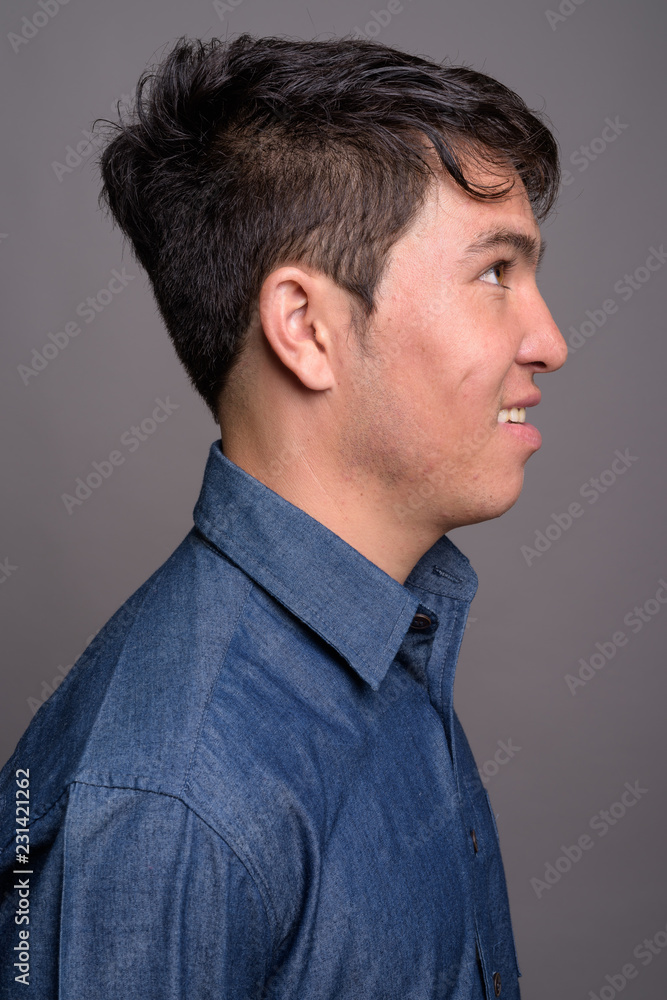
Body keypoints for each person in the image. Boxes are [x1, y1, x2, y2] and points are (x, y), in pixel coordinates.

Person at [0, 33, 567, 998]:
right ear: (304, 327)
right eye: (493, 273)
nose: (548, 340)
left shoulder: (384, 635)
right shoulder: (173, 801)